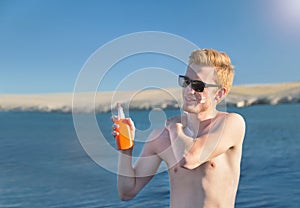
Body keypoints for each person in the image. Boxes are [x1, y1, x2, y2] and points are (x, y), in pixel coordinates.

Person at [112, 48, 246, 208]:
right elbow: (127, 192)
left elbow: (189, 158)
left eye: (198, 85)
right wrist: (126, 148)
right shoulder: (161, 137)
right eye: (186, 81)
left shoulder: (230, 124)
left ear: (219, 93)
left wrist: (174, 125)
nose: (189, 90)